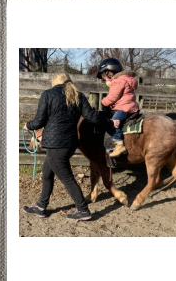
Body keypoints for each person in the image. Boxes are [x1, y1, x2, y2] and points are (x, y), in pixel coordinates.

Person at [23, 71, 114, 221]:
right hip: (70, 143)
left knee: (67, 178)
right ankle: (41, 206)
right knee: (47, 173)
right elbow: (91, 117)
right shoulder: (78, 95)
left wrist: (28, 125)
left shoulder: (48, 94)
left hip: (55, 145)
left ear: (54, 81)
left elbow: (39, 121)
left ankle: (83, 209)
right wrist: (109, 122)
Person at [97, 57, 139, 157]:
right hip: (129, 106)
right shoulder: (126, 79)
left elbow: (112, 97)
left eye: (104, 76)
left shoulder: (119, 81)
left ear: (109, 72)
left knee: (114, 122)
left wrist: (102, 102)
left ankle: (119, 144)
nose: (105, 79)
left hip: (124, 107)